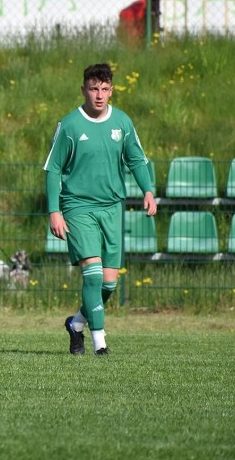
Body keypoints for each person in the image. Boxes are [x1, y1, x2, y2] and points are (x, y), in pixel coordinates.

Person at [43, 62, 157, 356]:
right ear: (83, 89)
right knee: (92, 277)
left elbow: (136, 160)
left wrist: (148, 190)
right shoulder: (69, 125)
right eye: (93, 88)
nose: (99, 95)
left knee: (108, 285)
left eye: (104, 89)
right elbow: (53, 169)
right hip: (78, 207)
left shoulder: (122, 122)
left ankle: (76, 323)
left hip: (112, 208)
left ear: (112, 91)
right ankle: (99, 342)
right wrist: (54, 211)